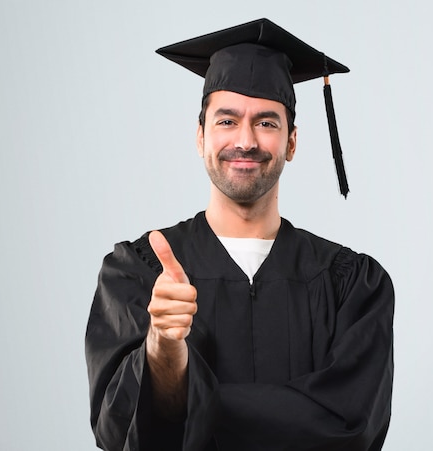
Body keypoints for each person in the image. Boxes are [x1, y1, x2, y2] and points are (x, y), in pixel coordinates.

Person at [85, 18, 395, 451]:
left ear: (291, 142)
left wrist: (192, 400)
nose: (246, 141)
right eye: (227, 121)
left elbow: (350, 427)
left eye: (267, 123)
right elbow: (117, 434)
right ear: (200, 137)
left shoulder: (352, 285)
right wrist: (160, 353)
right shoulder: (139, 273)